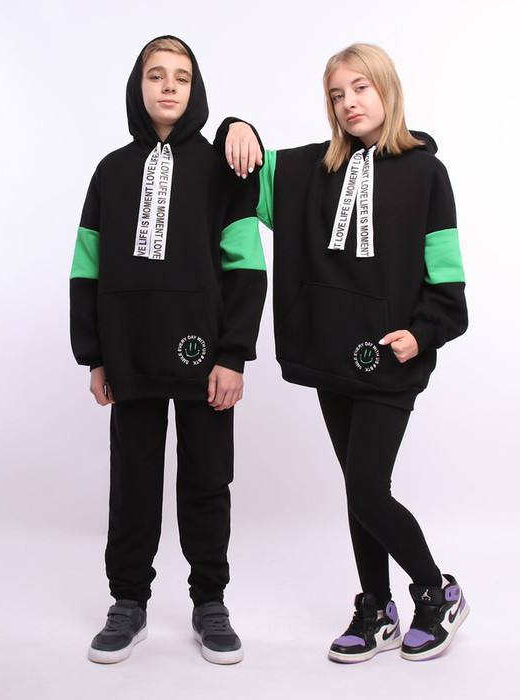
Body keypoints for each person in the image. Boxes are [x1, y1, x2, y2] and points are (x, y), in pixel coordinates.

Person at [220, 43, 468, 663]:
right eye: (337, 94)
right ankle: (376, 608)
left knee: (366, 489)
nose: (349, 103)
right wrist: (235, 127)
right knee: (361, 490)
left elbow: (447, 280)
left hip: (392, 357)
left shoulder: (426, 175)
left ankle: (436, 592)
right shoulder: (309, 170)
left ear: (387, 89)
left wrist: (423, 333)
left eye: (360, 87)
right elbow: (242, 172)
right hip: (332, 353)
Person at [69, 35, 267, 666]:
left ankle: (210, 601)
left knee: (207, 480)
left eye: (181, 76)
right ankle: (128, 601)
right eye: (156, 75)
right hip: (129, 351)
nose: (169, 86)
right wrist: (94, 354)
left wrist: (233, 354)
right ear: (139, 86)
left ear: (195, 88)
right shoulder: (110, 171)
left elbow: (246, 267)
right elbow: (86, 267)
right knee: (132, 481)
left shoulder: (221, 170)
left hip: (204, 354)